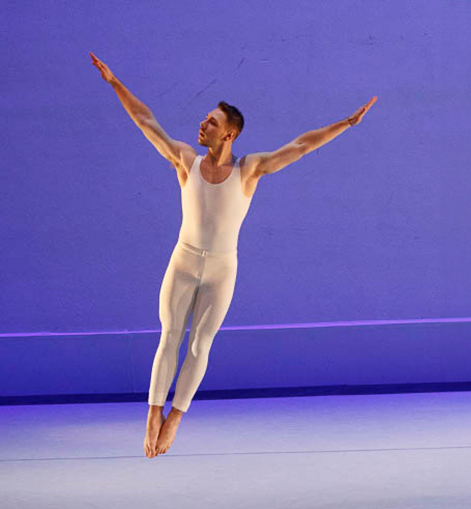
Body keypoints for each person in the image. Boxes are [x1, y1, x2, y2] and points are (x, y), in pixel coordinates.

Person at [90, 52, 376, 458]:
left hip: (222, 269)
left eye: (211, 122)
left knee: (200, 345)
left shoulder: (250, 170)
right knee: (169, 336)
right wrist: (114, 81)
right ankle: (154, 414)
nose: (202, 124)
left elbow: (301, 146)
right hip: (184, 261)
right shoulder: (185, 160)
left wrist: (346, 124)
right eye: (205, 119)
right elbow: (145, 121)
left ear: (229, 135)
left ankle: (176, 417)